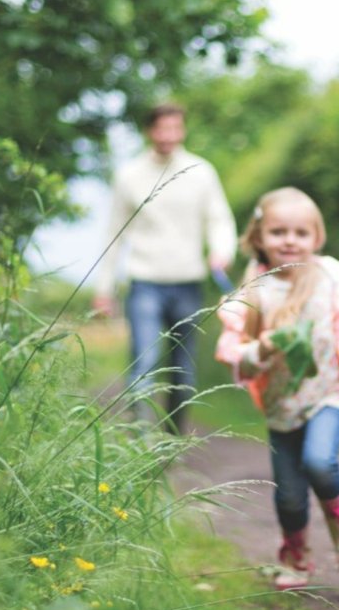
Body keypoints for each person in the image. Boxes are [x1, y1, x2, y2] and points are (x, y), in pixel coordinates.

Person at [215, 187, 339, 591]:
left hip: (330, 392)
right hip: (280, 404)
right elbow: (234, 352)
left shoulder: (331, 276)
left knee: (320, 462)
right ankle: (297, 555)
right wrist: (263, 349)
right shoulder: (255, 290)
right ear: (259, 237)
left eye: (301, 233)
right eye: (278, 232)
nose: (290, 240)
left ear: (316, 238)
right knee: (289, 496)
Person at [94, 102, 237, 433]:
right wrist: (104, 289)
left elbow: (219, 219)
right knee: (143, 364)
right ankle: (141, 441)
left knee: (182, 371)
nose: (169, 136)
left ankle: (172, 439)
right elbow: (114, 235)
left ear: (183, 130)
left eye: (176, 128)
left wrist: (220, 251)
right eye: (162, 128)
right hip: (145, 282)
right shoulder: (128, 175)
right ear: (149, 131)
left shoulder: (201, 171)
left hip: (188, 282)